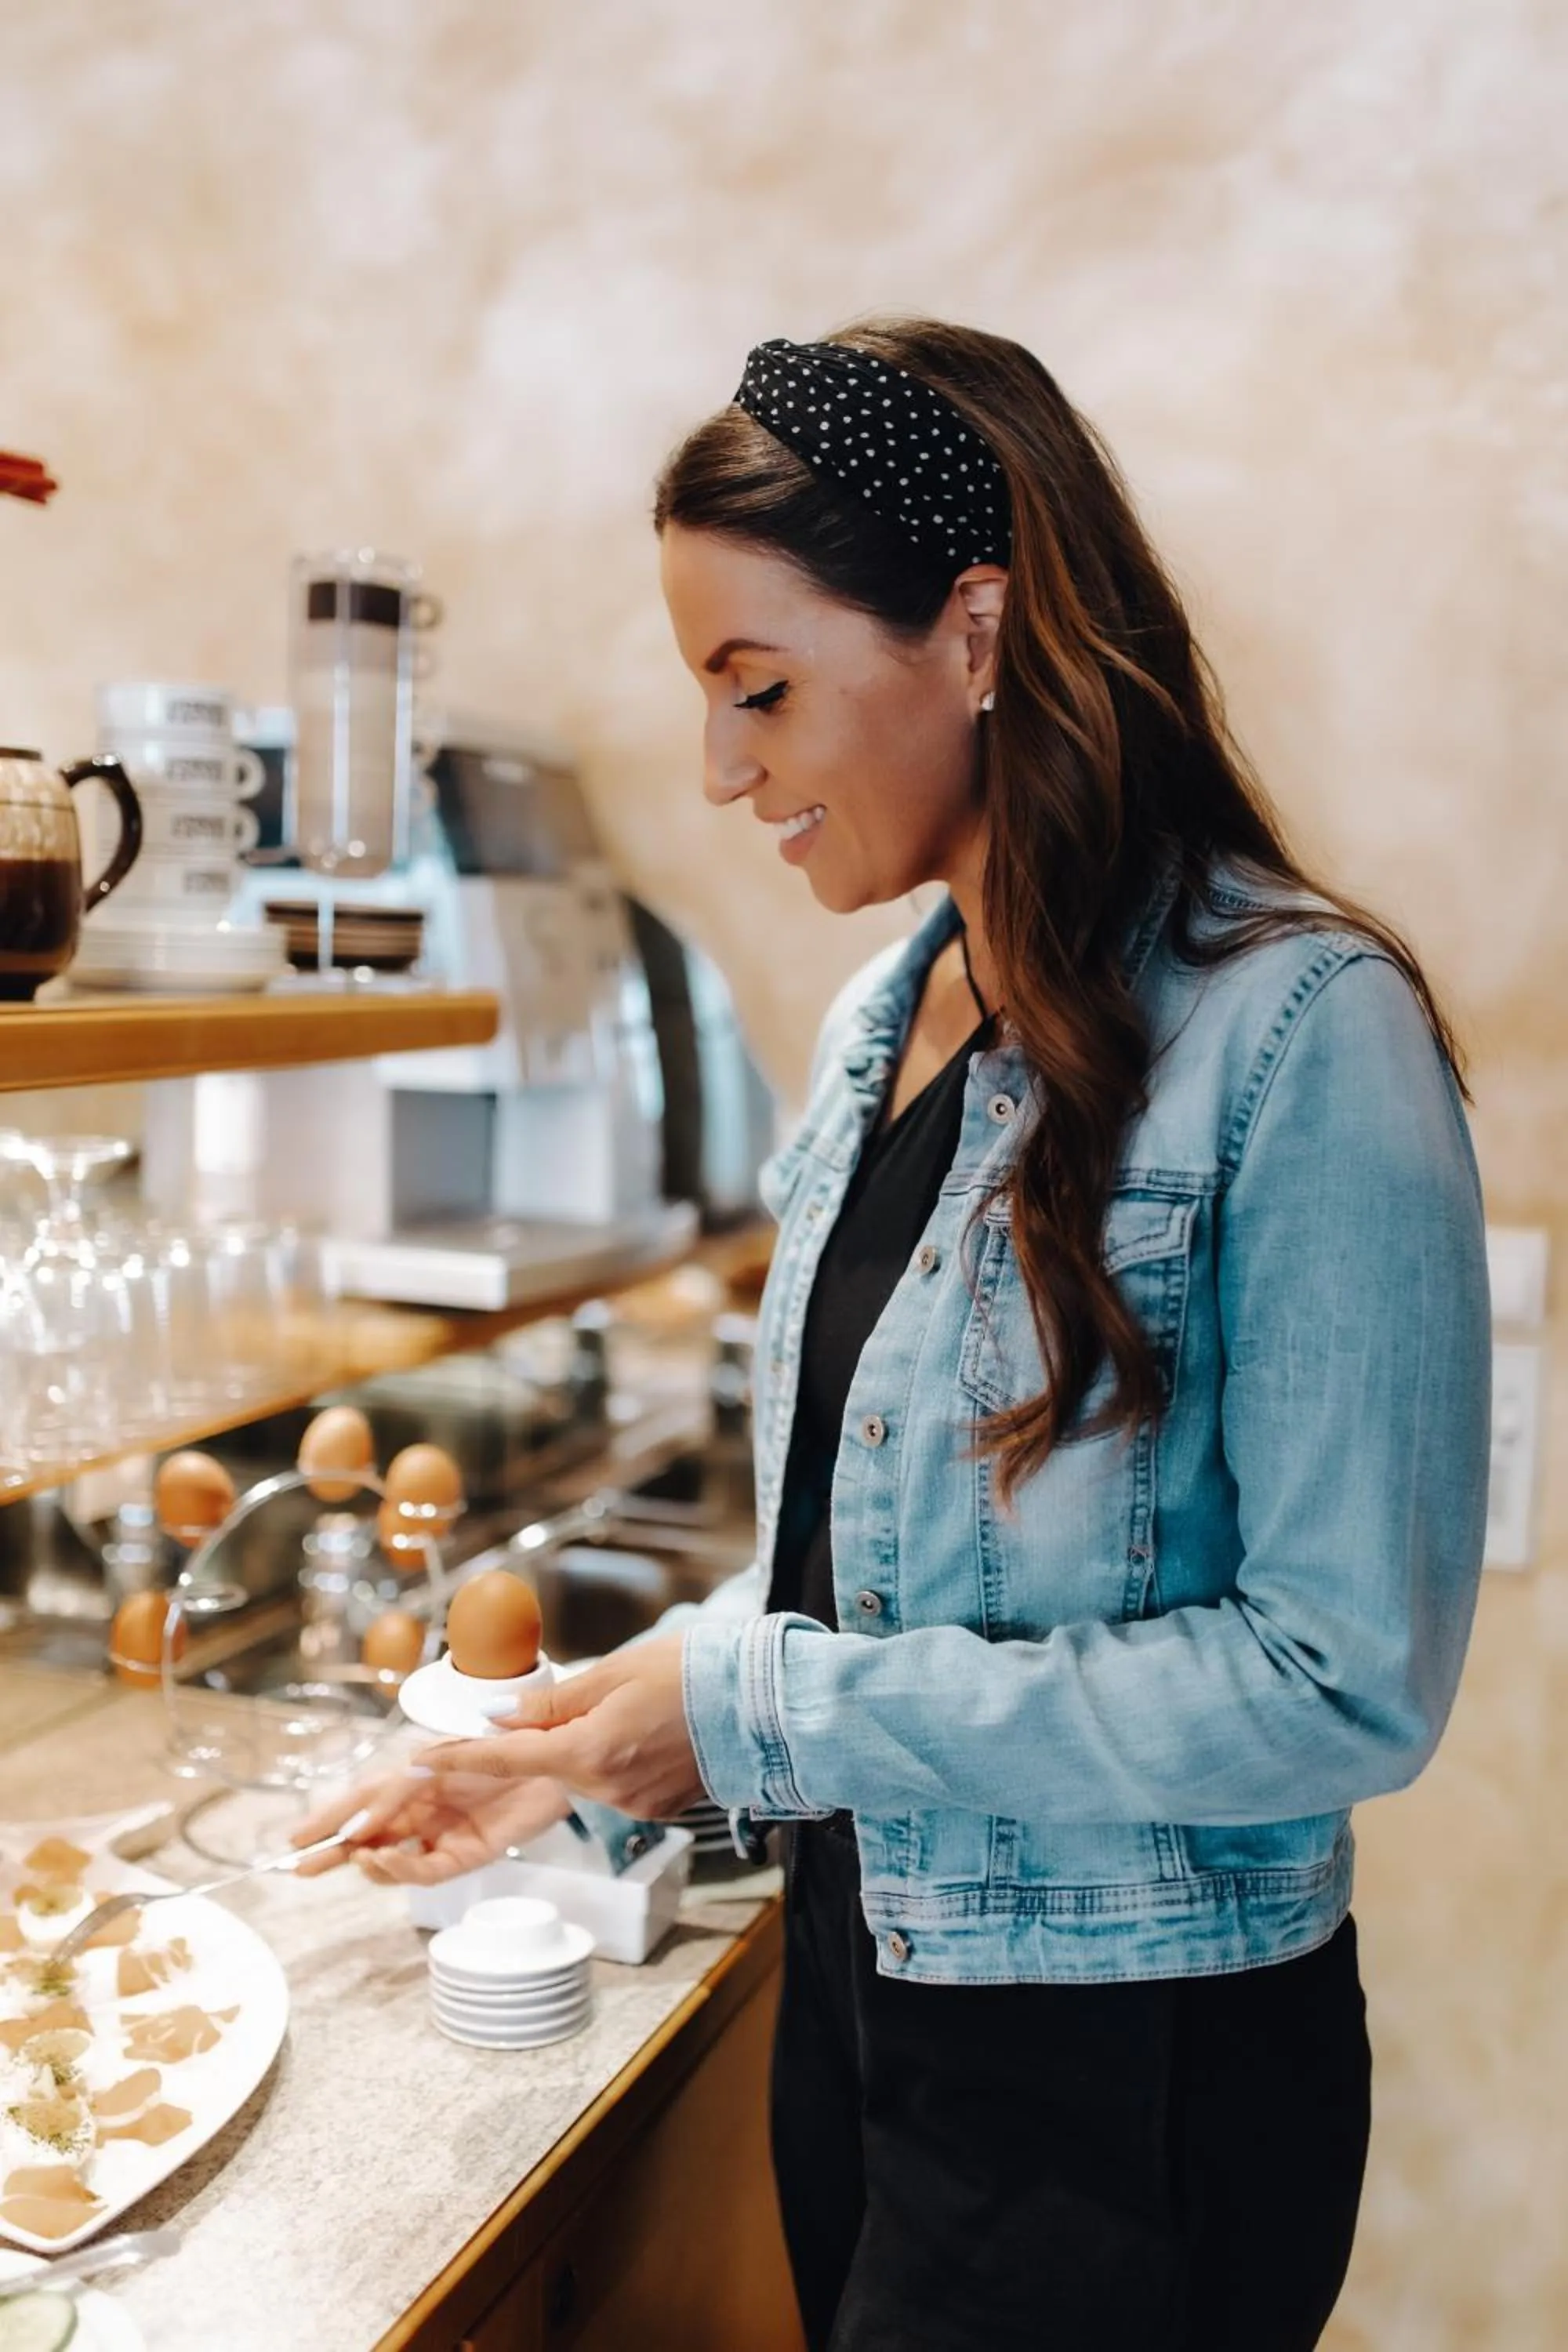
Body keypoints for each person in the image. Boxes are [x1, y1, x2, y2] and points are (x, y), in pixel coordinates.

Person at [296, 319, 1492, 2351]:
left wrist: (760, 1714)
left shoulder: (1302, 1028)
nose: (720, 768)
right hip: (867, 2000)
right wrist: (594, 1752)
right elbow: (853, 1587)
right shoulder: (882, 1026)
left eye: (758, 686)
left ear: (978, 631)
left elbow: (1340, 1684)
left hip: (1134, 2082)